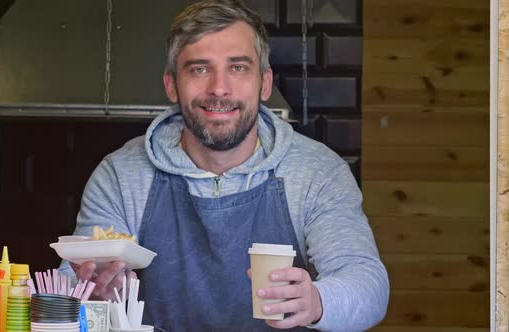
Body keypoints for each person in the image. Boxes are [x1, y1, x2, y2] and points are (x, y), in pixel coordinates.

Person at [61, 0, 389, 331]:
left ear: (264, 83)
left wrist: (318, 301)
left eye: (238, 67)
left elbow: (367, 284)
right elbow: (67, 285)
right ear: (172, 84)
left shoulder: (318, 172)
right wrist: (92, 296)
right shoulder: (121, 175)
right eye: (199, 69)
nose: (219, 88)